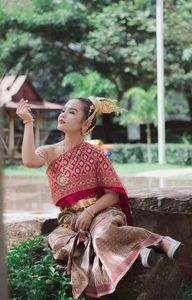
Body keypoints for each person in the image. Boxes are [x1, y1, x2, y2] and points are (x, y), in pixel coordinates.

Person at [16, 97, 182, 299]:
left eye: (72, 112)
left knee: (102, 233)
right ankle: (139, 252)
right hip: (70, 221)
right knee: (61, 244)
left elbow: (113, 195)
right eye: (63, 110)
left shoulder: (96, 154)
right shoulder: (50, 152)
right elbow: (29, 160)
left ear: (85, 123)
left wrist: (90, 211)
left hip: (102, 211)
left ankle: (158, 242)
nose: (63, 114)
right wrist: (28, 122)